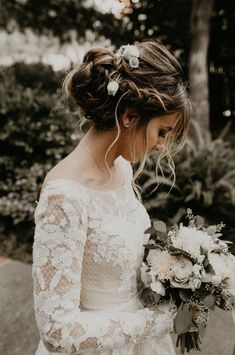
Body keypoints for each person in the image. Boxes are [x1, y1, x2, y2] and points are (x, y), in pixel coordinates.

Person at [32, 40, 191, 355]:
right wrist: (159, 321)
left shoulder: (120, 168)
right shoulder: (64, 195)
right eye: (162, 132)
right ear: (130, 117)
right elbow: (57, 330)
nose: (162, 146)